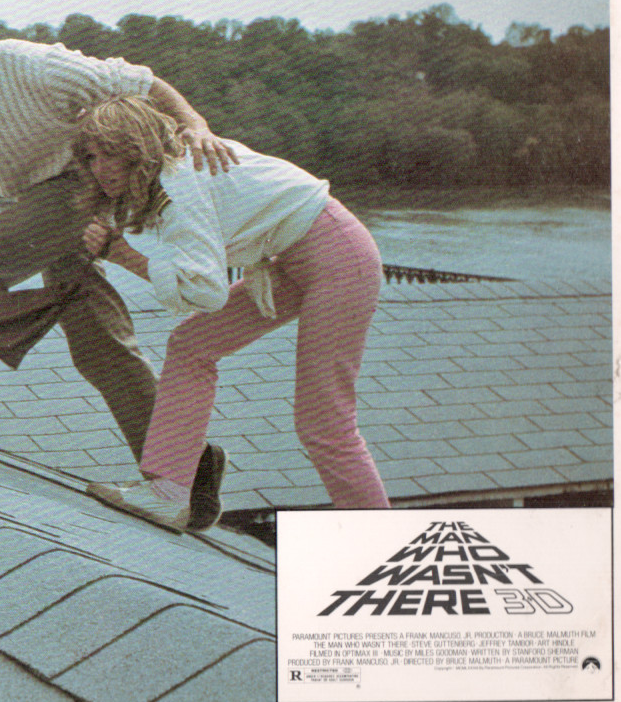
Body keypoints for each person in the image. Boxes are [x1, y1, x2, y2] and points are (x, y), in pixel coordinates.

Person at [0, 0, 236, 466]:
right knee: (96, 342)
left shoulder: (31, 67)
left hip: (90, 180)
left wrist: (196, 125)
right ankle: (184, 463)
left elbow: (140, 82)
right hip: (42, 199)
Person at [75, 95, 389, 531]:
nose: (100, 168)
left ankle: (380, 544)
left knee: (324, 425)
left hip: (339, 257)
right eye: (92, 157)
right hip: (293, 258)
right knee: (191, 345)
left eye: (110, 153)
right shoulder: (170, 175)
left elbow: (207, 292)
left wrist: (123, 255)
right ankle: (168, 493)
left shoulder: (180, 187)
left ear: (137, 148)